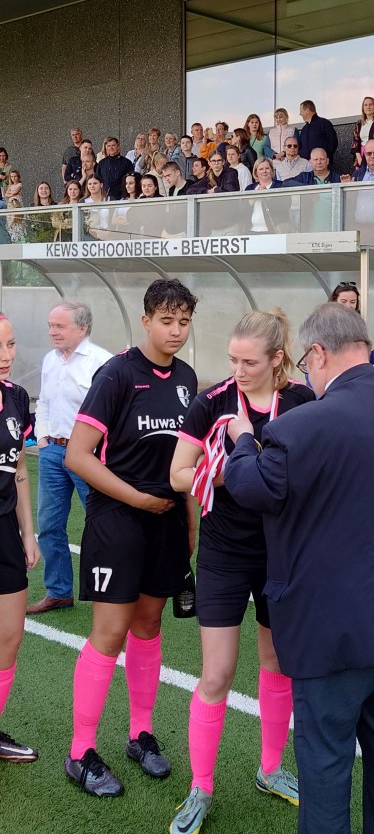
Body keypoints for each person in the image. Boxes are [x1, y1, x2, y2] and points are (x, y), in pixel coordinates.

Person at [224, 301, 374, 834]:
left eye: (306, 363)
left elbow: (251, 485)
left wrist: (243, 441)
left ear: (318, 353)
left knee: (325, 761)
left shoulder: (302, 426)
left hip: (339, 626)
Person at [168, 309, 314, 834]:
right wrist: (230, 469)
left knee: (277, 661)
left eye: (249, 362)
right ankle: (200, 788)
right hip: (224, 552)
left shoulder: (301, 401)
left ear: (277, 359)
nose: (238, 370)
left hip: (282, 551)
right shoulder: (211, 402)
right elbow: (178, 474)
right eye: (233, 359)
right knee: (217, 673)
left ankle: (270, 768)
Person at [63, 279, 198, 797]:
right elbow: (78, 456)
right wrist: (137, 499)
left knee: (148, 624)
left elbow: (187, 457)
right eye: (166, 321)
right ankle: (80, 751)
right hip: (118, 518)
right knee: (111, 631)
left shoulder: (186, 378)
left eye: (183, 321)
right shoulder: (117, 373)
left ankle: (140, 734)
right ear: (145, 321)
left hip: (166, 520)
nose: (176, 331)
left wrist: (189, 522)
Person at [26, 301, 111, 615]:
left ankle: (111, 591)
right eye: (51, 325)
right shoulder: (50, 359)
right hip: (52, 452)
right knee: (49, 525)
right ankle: (59, 592)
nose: (52, 332)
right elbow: (44, 402)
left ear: (82, 328)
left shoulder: (103, 363)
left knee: (102, 525)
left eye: (59, 326)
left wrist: (94, 451)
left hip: (87, 456)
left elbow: (111, 414)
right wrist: (44, 438)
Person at [0, 313, 41, 763]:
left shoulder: (16, 397)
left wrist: (28, 532)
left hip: (5, 534)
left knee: (9, 638)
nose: (6, 355)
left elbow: (19, 468)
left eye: (10, 344)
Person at [329, 281, 374, 362]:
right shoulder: (324, 325)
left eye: (353, 302)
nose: (348, 306)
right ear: (334, 301)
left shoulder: (356, 325)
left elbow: (362, 358)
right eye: (343, 301)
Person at [351, 96, 374, 168]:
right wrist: (358, 157)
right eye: (365, 105)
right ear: (363, 108)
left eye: (370, 104)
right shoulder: (359, 123)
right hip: (361, 152)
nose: (368, 107)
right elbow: (355, 141)